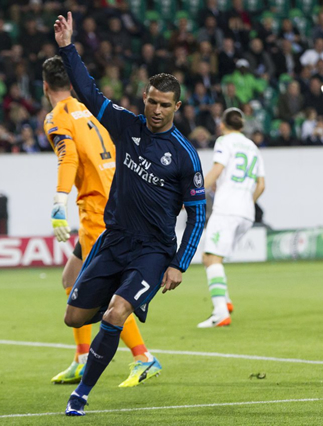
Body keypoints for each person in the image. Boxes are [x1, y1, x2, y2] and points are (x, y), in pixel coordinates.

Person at [54, 12, 206, 416]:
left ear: (178, 106)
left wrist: (179, 265)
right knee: (73, 316)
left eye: (165, 105)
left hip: (153, 252)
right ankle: (113, 298)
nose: (157, 110)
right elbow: (88, 91)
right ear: (145, 98)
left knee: (116, 312)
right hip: (114, 240)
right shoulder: (126, 126)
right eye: (152, 102)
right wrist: (68, 47)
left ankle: (81, 395)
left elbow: (197, 216)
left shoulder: (186, 157)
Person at [43, 56, 163, 388]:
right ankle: (82, 358)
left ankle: (144, 358)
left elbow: (67, 156)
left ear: (44, 87)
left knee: (108, 294)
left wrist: (58, 201)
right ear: (70, 84)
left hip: (99, 213)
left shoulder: (58, 117)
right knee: (70, 277)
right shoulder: (88, 112)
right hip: (113, 201)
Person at [197, 108, 265, 328]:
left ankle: (220, 312)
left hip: (227, 208)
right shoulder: (253, 147)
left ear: (222, 125)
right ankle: (225, 301)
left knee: (211, 257)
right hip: (246, 212)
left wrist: (192, 195)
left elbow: (217, 170)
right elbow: (261, 185)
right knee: (212, 258)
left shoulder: (224, 142)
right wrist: (246, 201)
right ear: (242, 126)